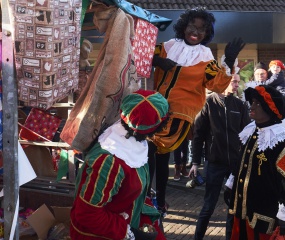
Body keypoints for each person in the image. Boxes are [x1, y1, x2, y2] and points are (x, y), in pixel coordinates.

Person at [148, 7, 245, 217]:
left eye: (202, 29)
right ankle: (149, 197)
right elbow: (142, 55)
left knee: (160, 155)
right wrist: (157, 61)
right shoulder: (167, 46)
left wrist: (229, 61)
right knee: (146, 155)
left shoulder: (205, 57)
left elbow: (218, 84)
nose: (196, 32)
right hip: (154, 108)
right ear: (184, 26)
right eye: (193, 26)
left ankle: (159, 200)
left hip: (179, 115)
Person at [70, 89, 169, 240]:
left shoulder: (135, 144)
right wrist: (129, 232)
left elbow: (134, 196)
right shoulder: (109, 162)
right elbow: (87, 214)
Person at [189, 73, 251, 240]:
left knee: (233, 207)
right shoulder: (208, 103)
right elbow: (198, 135)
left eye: (238, 81)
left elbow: (247, 135)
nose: (237, 84)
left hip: (235, 165)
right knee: (208, 205)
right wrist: (195, 162)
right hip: (215, 163)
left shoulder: (240, 105)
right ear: (223, 82)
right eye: (234, 81)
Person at [229, 85, 285, 240]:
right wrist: (231, 184)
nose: (251, 106)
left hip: (265, 215)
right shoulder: (252, 130)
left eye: (257, 103)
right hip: (243, 210)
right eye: (251, 102)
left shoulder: (280, 139)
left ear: (269, 108)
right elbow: (241, 161)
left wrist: (284, 216)